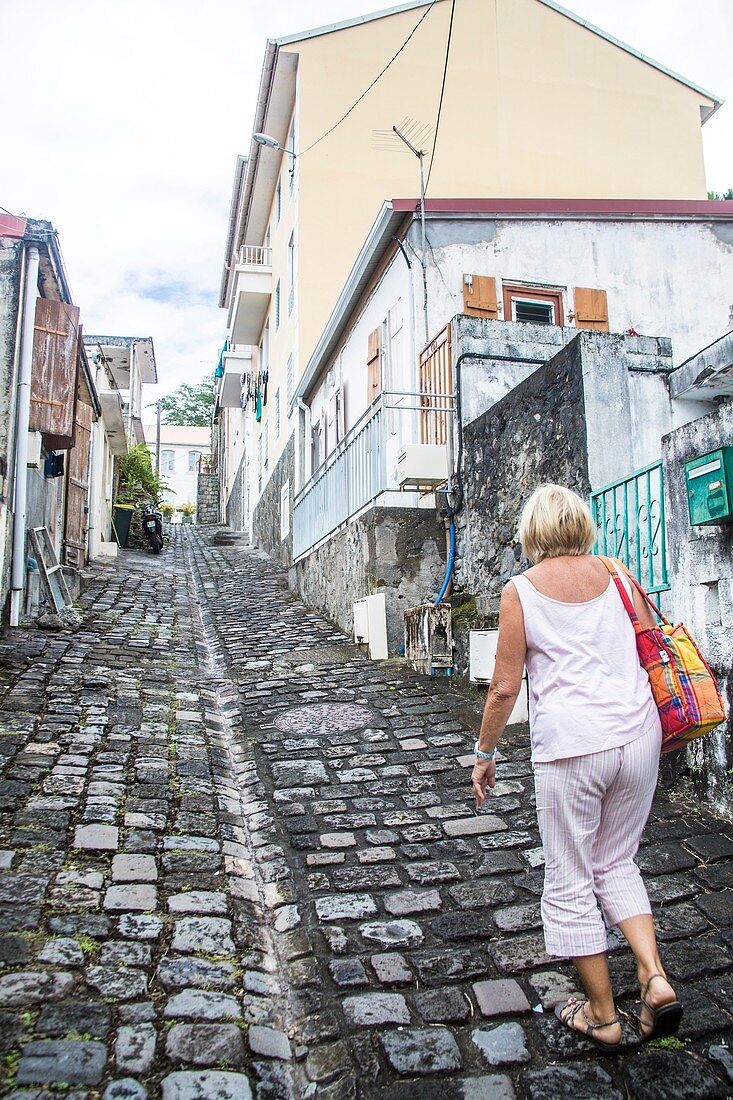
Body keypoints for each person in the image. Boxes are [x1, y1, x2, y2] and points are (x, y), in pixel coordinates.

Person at [471, 483, 682, 1052]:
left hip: (573, 748)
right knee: (616, 860)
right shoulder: (617, 573)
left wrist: (485, 753)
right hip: (638, 734)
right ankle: (653, 977)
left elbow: (504, 687)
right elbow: (649, 643)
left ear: (532, 532)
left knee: (569, 876)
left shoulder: (520, 590)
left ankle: (603, 1014)